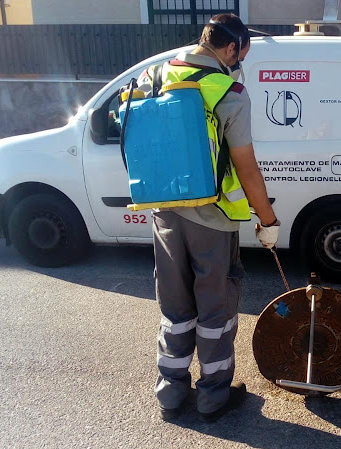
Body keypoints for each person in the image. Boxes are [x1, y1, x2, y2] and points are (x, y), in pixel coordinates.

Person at [136, 13, 279, 423]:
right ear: (230, 49)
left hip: (163, 211)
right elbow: (246, 167)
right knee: (214, 311)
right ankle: (214, 397)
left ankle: (170, 391)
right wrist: (267, 221)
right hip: (211, 219)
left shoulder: (159, 76)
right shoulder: (228, 90)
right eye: (242, 55)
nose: (241, 64)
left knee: (175, 304)